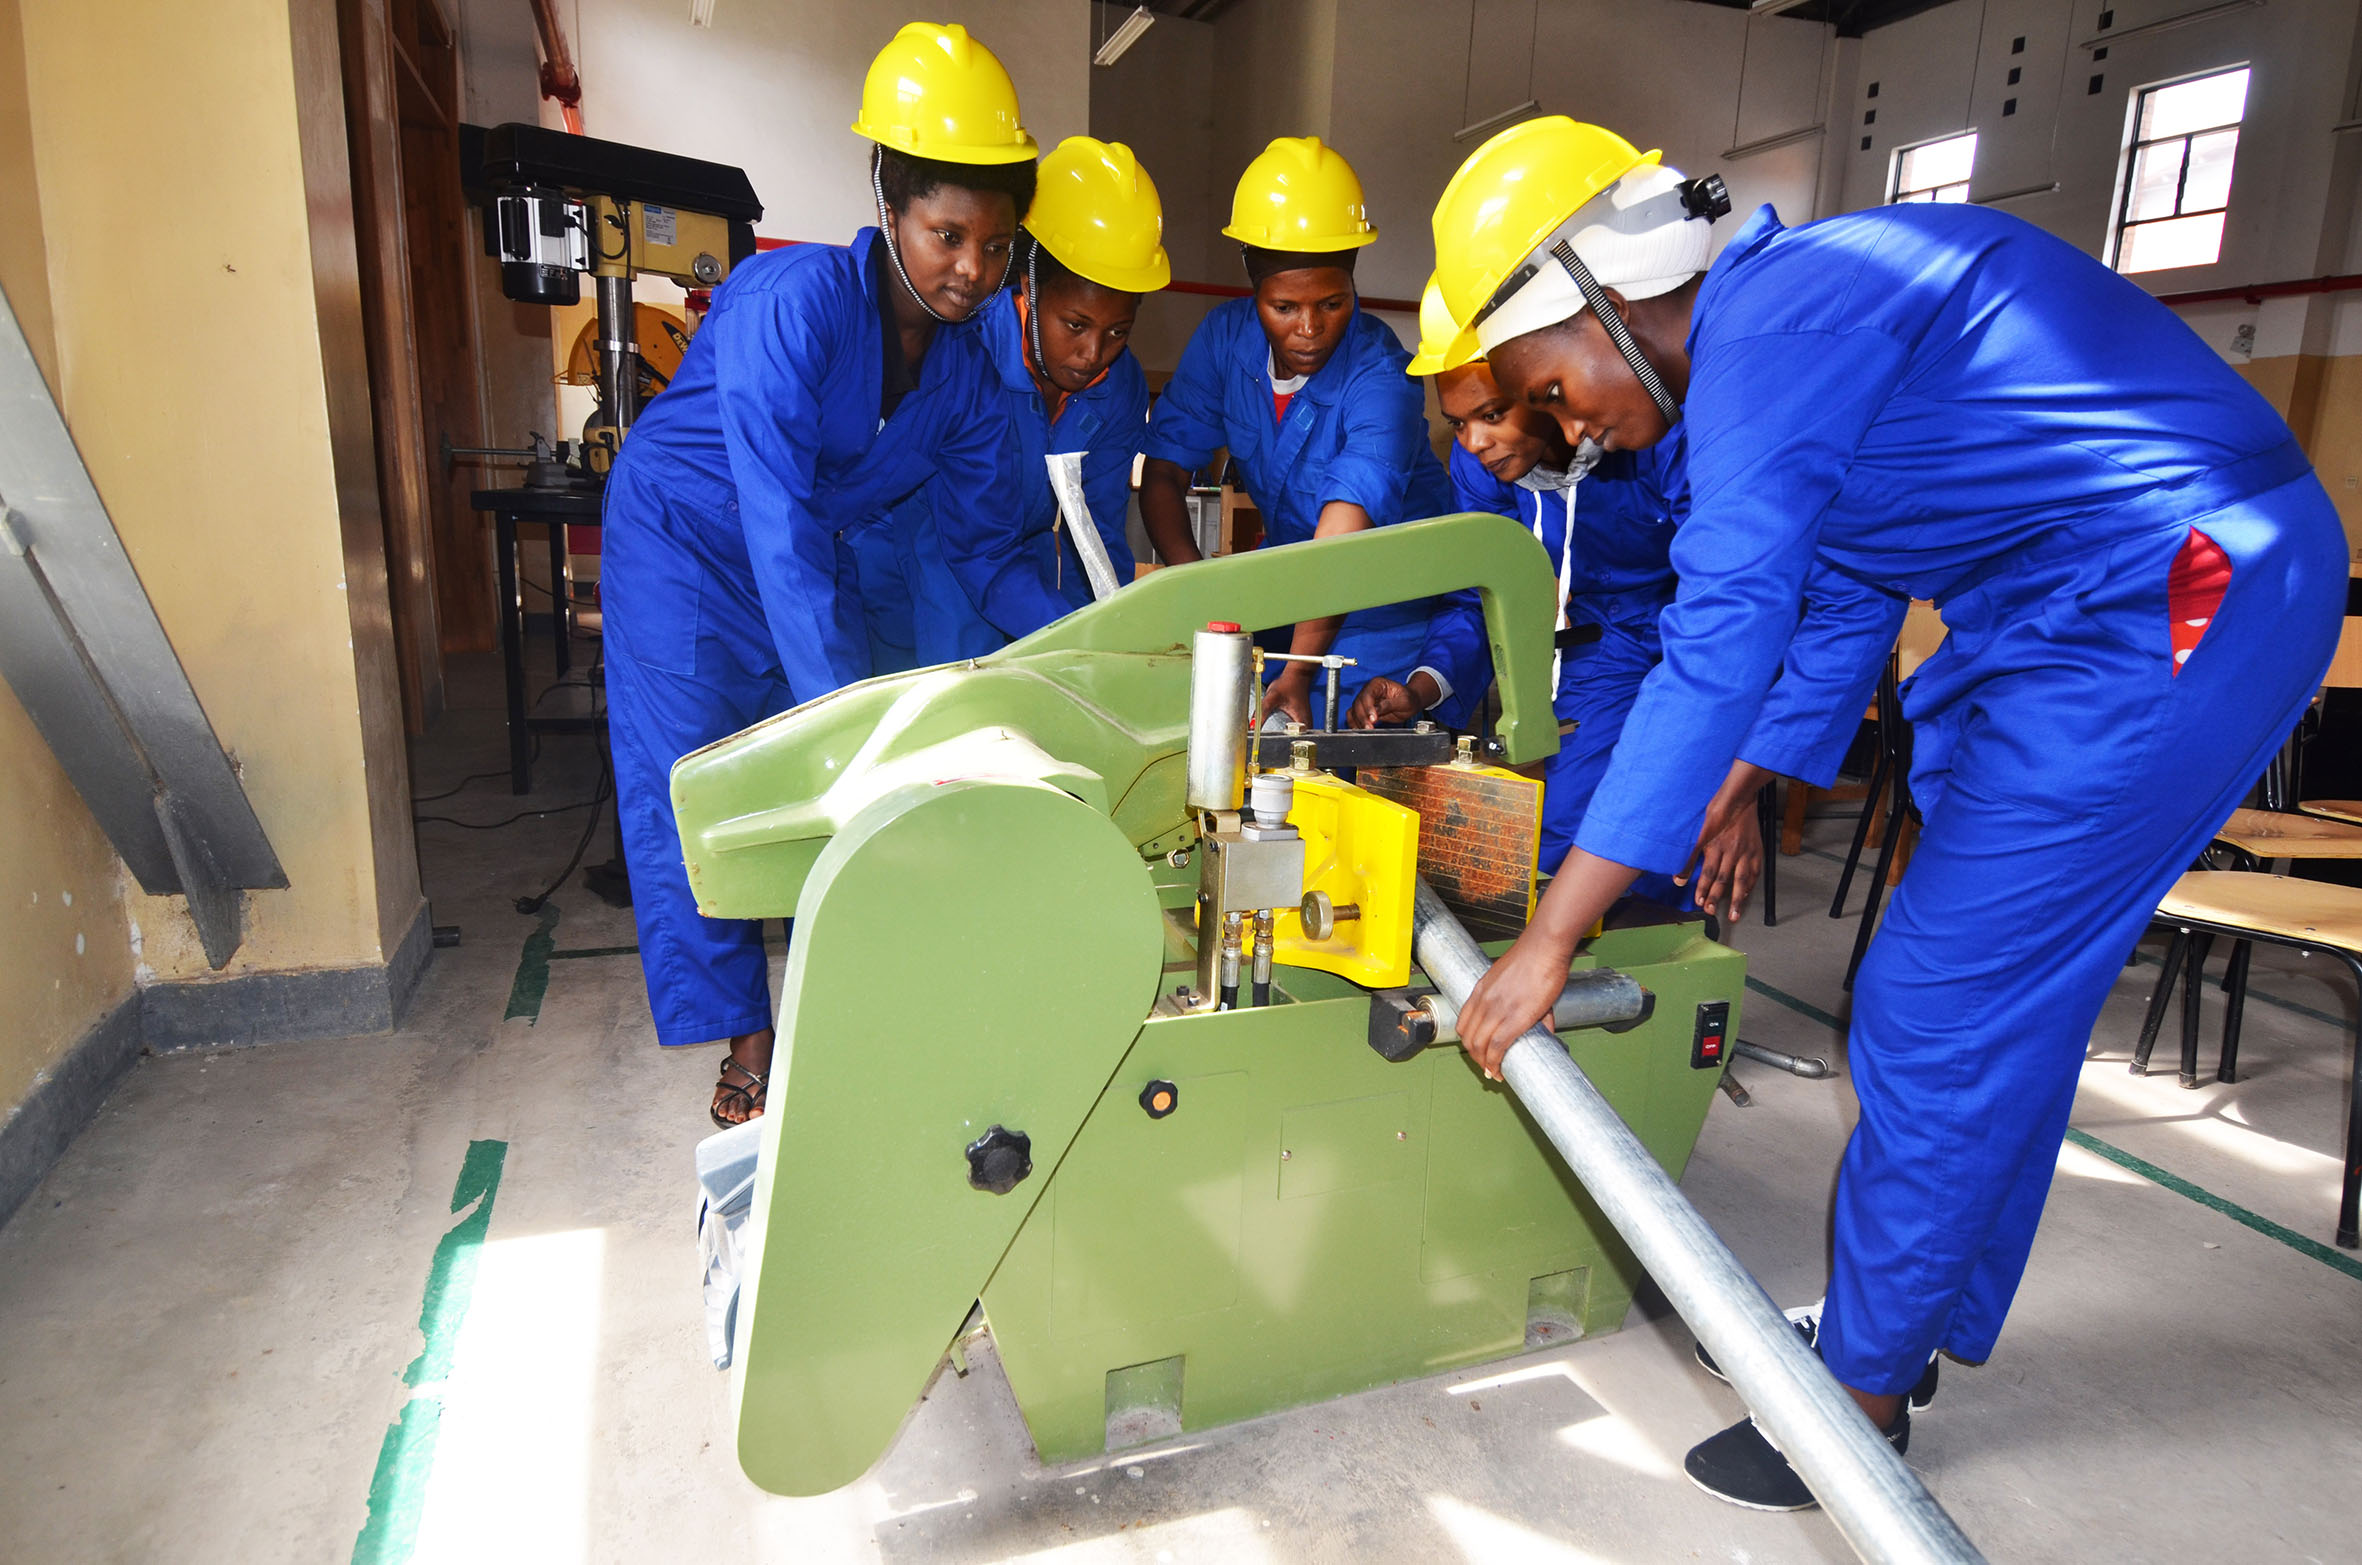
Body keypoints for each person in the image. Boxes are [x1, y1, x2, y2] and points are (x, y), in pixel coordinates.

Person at [1430, 118, 2345, 1510]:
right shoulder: (1795, 313)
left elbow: (1724, 629)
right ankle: (1900, 1331)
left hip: (2173, 581)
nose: (1567, 426)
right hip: (2081, 601)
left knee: (1933, 995)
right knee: (1991, 997)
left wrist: (1556, 932)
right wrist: (1745, 778)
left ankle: (1854, 1402)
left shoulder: (1769, 325)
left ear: (1604, 290)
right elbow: (1850, 578)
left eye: (1548, 384)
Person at [598, 21, 1038, 1127]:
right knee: (698, 778)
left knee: (816, 776)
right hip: (685, 538)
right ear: (890, 206)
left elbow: (988, 546)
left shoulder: (971, 378)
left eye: (995, 248)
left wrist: (1093, 640)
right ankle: (747, 1030)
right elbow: (776, 516)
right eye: (946, 235)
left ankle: (840, 991)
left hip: (794, 552)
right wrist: (851, 715)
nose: (970, 271)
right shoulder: (789, 301)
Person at [1348, 279, 1758, 916]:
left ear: (1535, 381)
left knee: (1639, 837)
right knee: (1540, 845)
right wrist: (1422, 688)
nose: (1474, 443)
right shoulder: (1481, 468)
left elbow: (1738, 604)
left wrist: (1736, 775)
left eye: (1491, 415)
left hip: (1677, 646)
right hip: (1578, 661)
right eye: (1457, 423)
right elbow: (1476, 599)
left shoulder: (1652, 437)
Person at [1137, 136, 1452, 722]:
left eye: (1332, 304)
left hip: (1380, 613)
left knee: (1342, 761)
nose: (1309, 328)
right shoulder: (1224, 341)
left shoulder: (1384, 375)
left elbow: (1343, 536)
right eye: (1284, 307)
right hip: (1288, 598)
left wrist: (1301, 671)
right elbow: (1164, 470)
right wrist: (1194, 590)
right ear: (1254, 289)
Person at [899, 135, 1170, 664]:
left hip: (1024, 571)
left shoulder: (1121, 383)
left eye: (1119, 331)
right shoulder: (966, 353)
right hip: (928, 560)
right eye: (1076, 324)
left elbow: (1096, 532)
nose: (1093, 353)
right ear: (1026, 282)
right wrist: (1067, 639)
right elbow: (972, 547)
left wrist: (1101, 634)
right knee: (958, 709)